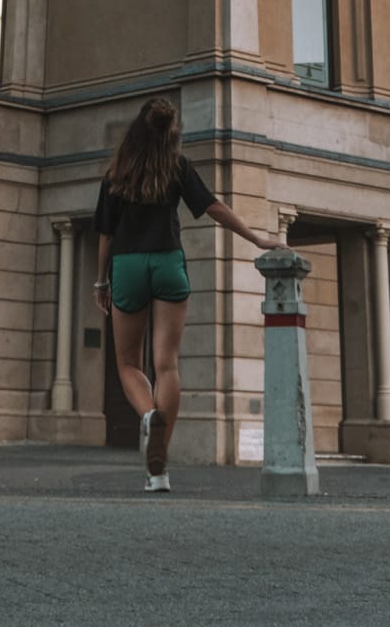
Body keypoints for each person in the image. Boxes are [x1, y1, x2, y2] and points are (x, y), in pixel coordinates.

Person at [93, 96, 276, 493]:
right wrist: (256, 237)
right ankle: (159, 470)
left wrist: (101, 281)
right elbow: (213, 207)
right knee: (167, 365)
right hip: (168, 263)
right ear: (170, 134)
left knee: (127, 363)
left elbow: (105, 235)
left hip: (127, 265)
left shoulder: (116, 173)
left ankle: (147, 416)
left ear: (137, 131)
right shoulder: (177, 167)